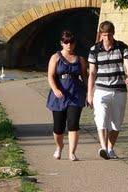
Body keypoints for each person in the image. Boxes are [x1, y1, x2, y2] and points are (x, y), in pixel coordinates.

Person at [87, 20, 128, 160]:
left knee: (116, 123)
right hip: (101, 89)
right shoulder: (94, 50)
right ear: (101, 35)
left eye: (109, 35)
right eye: (104, 35)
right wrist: (90, 93)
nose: (107, 38)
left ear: (113, 34)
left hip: (119, 89)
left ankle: (110, 147)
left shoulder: (122, 47)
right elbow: (92, 73)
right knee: (101, 119)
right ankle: (103, 147)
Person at [46, 30, 87, 161]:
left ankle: (72, 153)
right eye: (66, 42)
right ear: (62, 43)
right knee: (58, 128)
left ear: (74, 43)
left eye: (71, 42)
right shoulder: (55, 58)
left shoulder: (80, 60)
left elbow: (85, 77)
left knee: (73, 124)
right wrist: (55, 89)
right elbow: (50, 76)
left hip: (76, 93)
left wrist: (89, 93)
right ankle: (59, 146)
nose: (69, 44)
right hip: (59, 94)